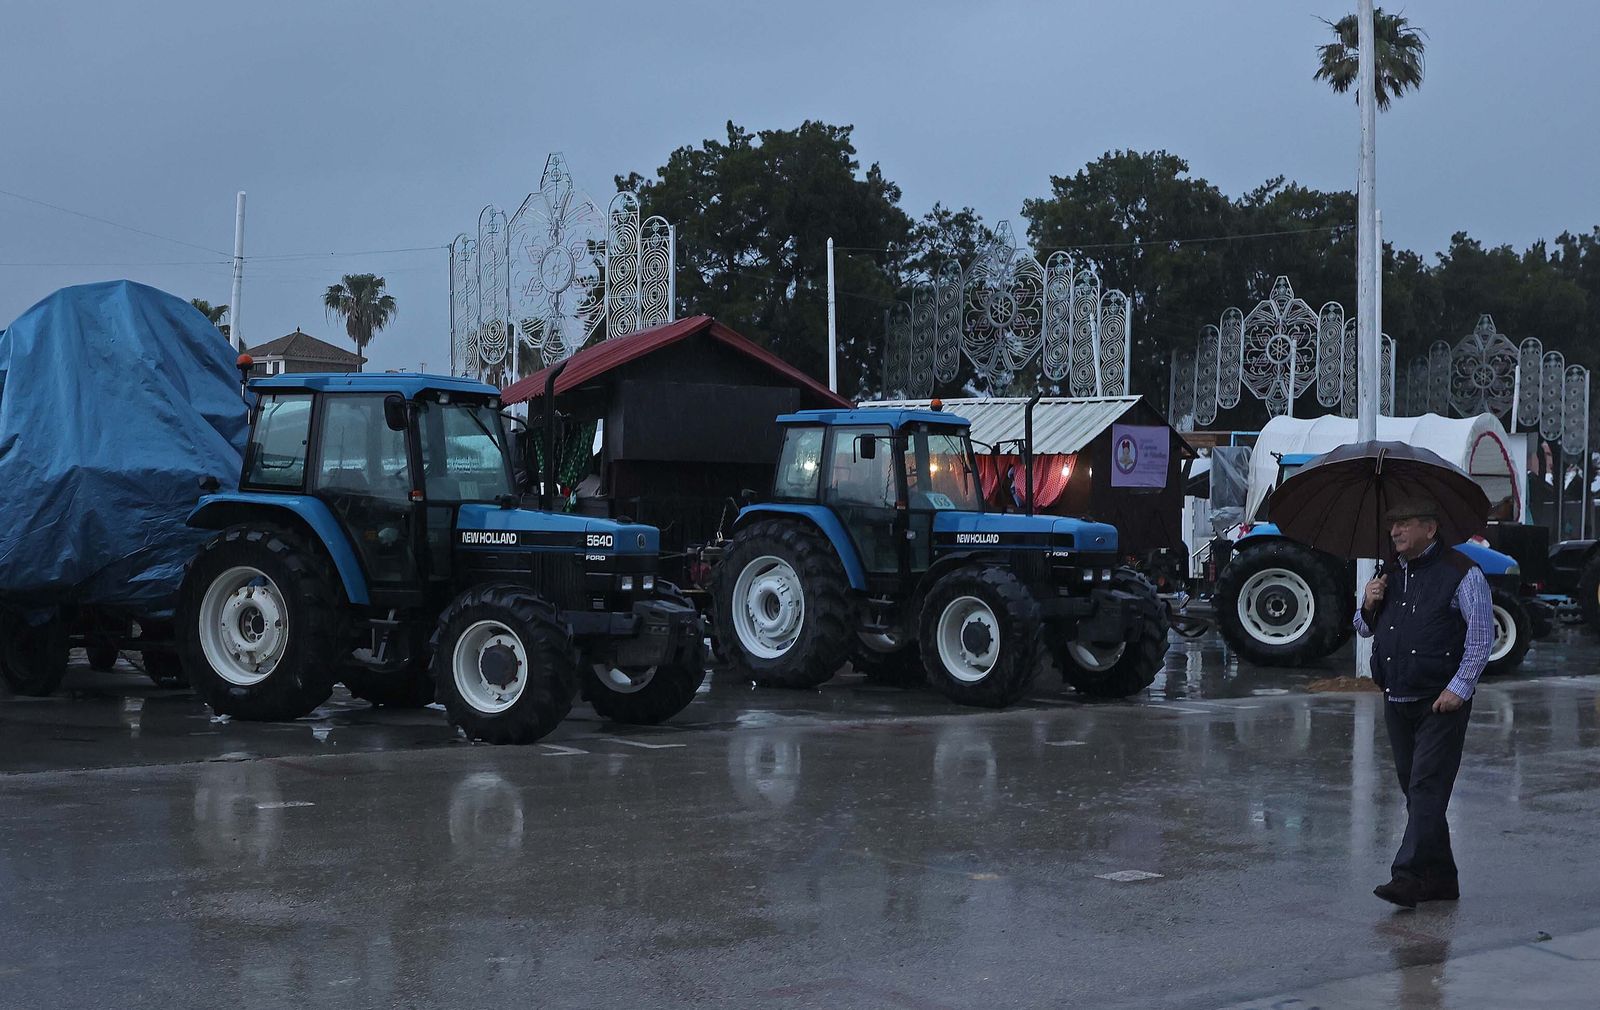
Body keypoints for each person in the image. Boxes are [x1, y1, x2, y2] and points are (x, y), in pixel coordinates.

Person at [1356, 497, 1494, 909]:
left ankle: (1408, 876)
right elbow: (1363, 629)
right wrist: (1369, 601)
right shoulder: (1388, 573)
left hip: (1440, 701)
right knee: (1418, 795)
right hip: (1396, 696)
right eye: (1392, 524)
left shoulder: (1462, 573)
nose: (1395, 531)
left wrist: (1460, 687)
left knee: (1426, 787)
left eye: (1404, 523)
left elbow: (1481, 635)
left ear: (1429, 529)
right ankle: (1442, 879)